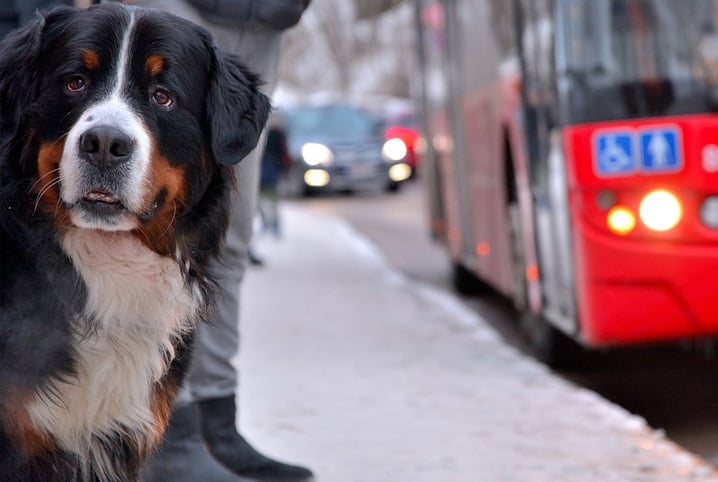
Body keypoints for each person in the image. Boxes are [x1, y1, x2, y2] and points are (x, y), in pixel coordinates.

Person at [131, 1, 314, 482]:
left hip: (266, 17)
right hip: (181, 7)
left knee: (230, 233)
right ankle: (164, 426)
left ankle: (215, 420)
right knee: (154, 224)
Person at [258, 113, 291, 238]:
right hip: (272, 172)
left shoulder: (267, 134)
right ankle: (274, 225)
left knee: (264, 200)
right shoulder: (280, 135)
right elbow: (285, 155)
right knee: (272, 200)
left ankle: (269, 223)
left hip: (265, 172)